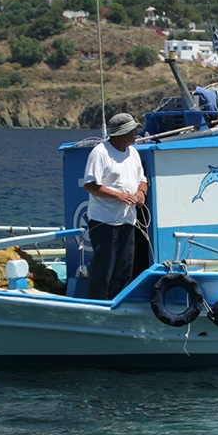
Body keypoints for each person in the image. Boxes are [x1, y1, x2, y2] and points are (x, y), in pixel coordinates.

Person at [83, 113, 148, 300]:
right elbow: (90, 184)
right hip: (104, 220)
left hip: (127, 219)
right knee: (104, 267)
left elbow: (142, 181)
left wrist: (140, 193)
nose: (136, 134)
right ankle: (98, 303)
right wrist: (118, 195)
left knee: (124, 266)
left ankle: (117, 301)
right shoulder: (100, 152)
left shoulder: (133, 153)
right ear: (122, 134)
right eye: (133, 131)